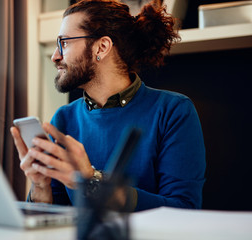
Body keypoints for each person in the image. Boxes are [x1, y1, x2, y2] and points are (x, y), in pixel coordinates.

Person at [11, 0, 206, 212]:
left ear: (101, 47)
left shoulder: (173, 112)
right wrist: (40, 186)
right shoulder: (64, 119)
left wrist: (90, 180)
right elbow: (52, 221)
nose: (55, 56)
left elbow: (183, 209)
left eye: (64, 43)